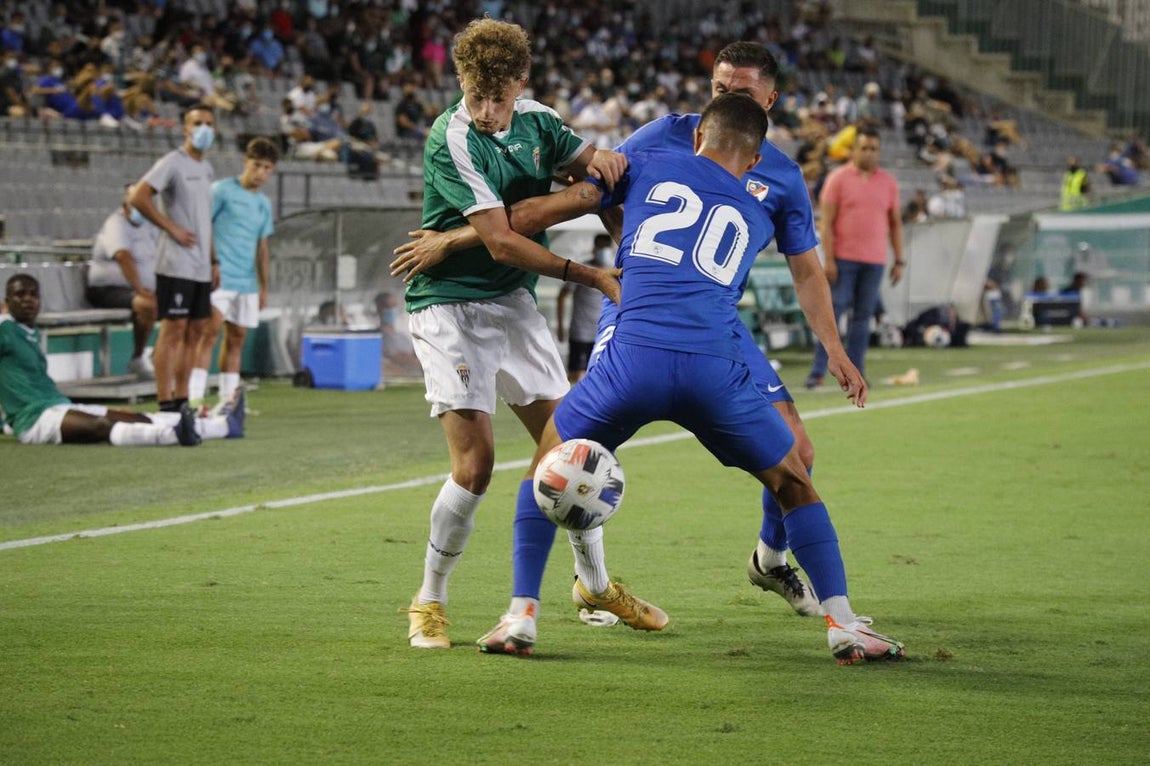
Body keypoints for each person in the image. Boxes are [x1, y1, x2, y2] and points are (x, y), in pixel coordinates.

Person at [392, 42, 870, 652]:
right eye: (721, 85)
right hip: (611, 310)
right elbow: (575, 201)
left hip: (686, 319)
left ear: (769, 101)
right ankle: (450, 599)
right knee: (534, 460)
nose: (726, 95)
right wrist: (466, 243)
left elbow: (806, 269)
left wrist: (831, 346)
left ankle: (764, 560)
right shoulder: (656, 138)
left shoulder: (778, 173)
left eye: (741, 90)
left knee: (792, 450)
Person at [486, 94, 903, 663]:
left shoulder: (645, 162)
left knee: (548, 465)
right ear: (754, 162)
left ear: (698, 136)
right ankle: (844, 624)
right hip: (714, 364)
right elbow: (802, 266)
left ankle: (520, 616)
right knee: (793, 481)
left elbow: (564, 197)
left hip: (634, 358)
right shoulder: (762, 201)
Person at [393, 18, 633, 650]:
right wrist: (592, 273)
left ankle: (593, 585)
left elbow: (602, 179)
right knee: (476, 467)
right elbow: (502, 240)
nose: (487, 112)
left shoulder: (539, 121)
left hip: (512, 304)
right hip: (448, 306)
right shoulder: (451, 137)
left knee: (569, 449)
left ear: (520, 86)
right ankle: (429, 600)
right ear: (461, 84)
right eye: (476, 97)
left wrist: (602, 172)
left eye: (498, 99)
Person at [1, 274, 243, 447]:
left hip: (60, 405)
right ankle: (176, 434)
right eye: (20, 294)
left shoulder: (29, 333)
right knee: (101, 426)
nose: (28, 299)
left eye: (33, 294)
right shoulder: (5, 329)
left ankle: (224, 426)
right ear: (6, 302)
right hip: (35, 420)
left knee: (133, 416)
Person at [130, 103, 219, 413]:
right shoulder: (172, 162)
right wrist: (170, 227)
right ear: (185, 128)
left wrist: (214, 260)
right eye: (197, 123)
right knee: (173, 330)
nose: (203, 128)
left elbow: (205, 219)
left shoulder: (207, 168)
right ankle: (165, 400)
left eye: (209, 123)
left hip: (201, 266)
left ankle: (182, 399)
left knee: (196, 332)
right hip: (176, 263)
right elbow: (138, 196)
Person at [806, 124, 904, 389]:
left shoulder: (888, 182)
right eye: (864, 148)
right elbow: (826, 223)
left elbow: (895, 223)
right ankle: (818, 372)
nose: (869, 153)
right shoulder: (837, 179)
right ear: (853, 150)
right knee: (832, 316)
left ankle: (857, 372)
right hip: (843, 260)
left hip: (875, 260)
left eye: (874, 148)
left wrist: (900, 260)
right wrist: (830, 259)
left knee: (863, 318)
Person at [188, 137, 278, 411]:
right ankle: (193, 399)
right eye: (257, 165)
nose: (261, 173)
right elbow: (203, 228)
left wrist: (264, 287)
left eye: (267, 168)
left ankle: (229, 401)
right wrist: (211, 263)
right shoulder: (221, 191)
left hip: (247, 282)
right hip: (219, 277)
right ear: (245, 162)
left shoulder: (263, 204)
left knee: (237, 338)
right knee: (208, 335)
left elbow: (262, 248)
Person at [86, 184, 162, 380]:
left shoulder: (149, 226)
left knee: (183, 303)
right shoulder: (116, 224)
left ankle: (158, 357)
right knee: (146, 304)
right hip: (106, 290)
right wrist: (141, 290)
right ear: (126, 202)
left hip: (139, 289)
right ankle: (138, 357)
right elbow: (123, 257)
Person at [556, 234, 612, 383]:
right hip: (581, 332)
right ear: (594, 248)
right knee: (576, 375)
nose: (603, 250)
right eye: (600, 246)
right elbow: (563, 295)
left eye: (606, 247)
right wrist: (561, 326)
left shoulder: (614, 271)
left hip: (603, 332)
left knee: (600, 374)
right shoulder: (583, 269)